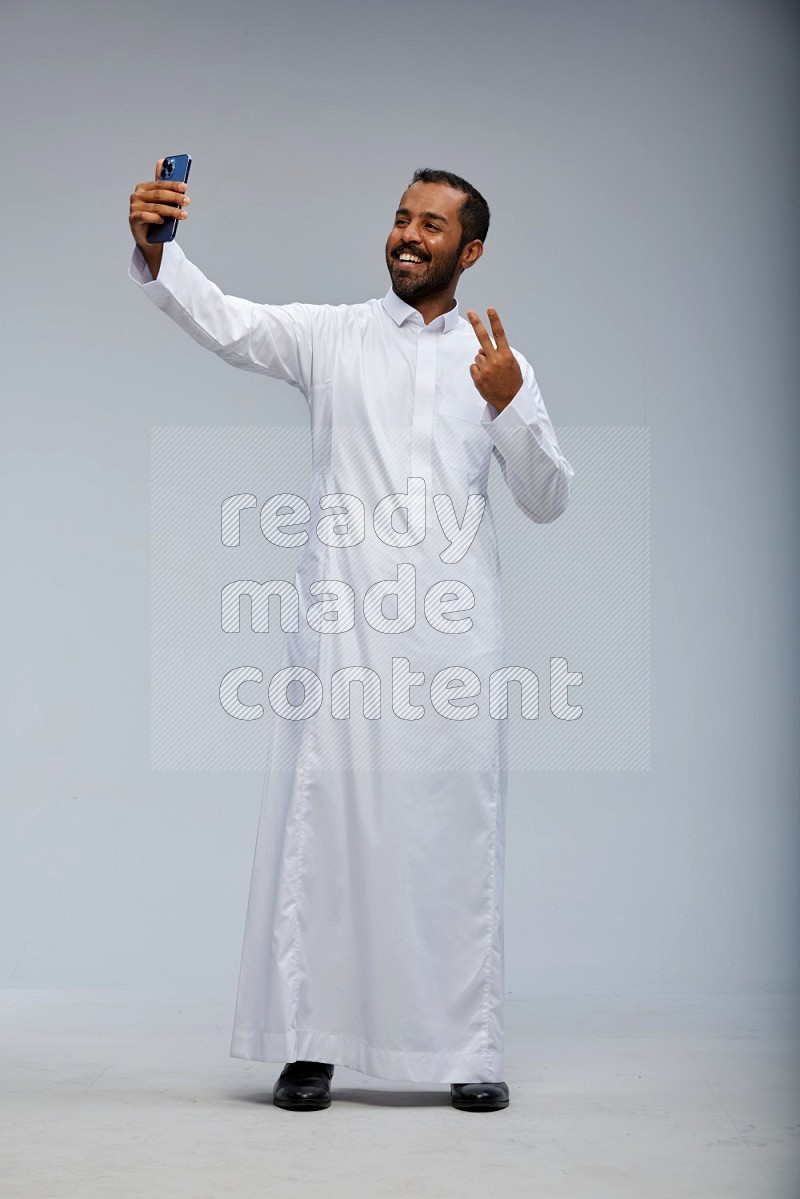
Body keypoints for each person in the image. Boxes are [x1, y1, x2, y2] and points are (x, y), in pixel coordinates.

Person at [128, 162, 574, 1113]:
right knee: (325, 834)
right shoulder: (334, 337)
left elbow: (546, 498)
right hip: (344, 638)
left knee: (457, 836)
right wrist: (157, 249)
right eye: (402, 219)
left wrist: (509, 404)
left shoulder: (500, 364)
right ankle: (311, 1045)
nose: (409, 235)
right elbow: (230, 321)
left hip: (454, 650)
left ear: (472, 250)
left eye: (433, 225)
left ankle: (469, 1046)